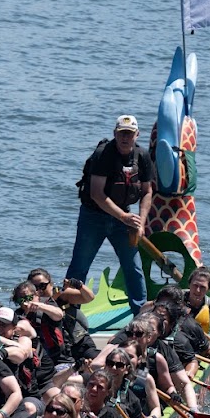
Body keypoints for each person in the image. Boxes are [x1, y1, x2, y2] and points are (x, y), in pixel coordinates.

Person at [66, 114, 154, 314]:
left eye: (129, 134)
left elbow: (147, 191)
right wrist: (123, 217)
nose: (125, 138)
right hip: (94, 217)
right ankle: (69, 313)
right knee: (79, 266)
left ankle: (141, 315)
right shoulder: (103, 154)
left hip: (125, 218)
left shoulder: (142, 156)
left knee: (133, 268)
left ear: (137, 135)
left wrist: (140, 222)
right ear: (115, 133)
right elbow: (97, 194)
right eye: (121, 134)